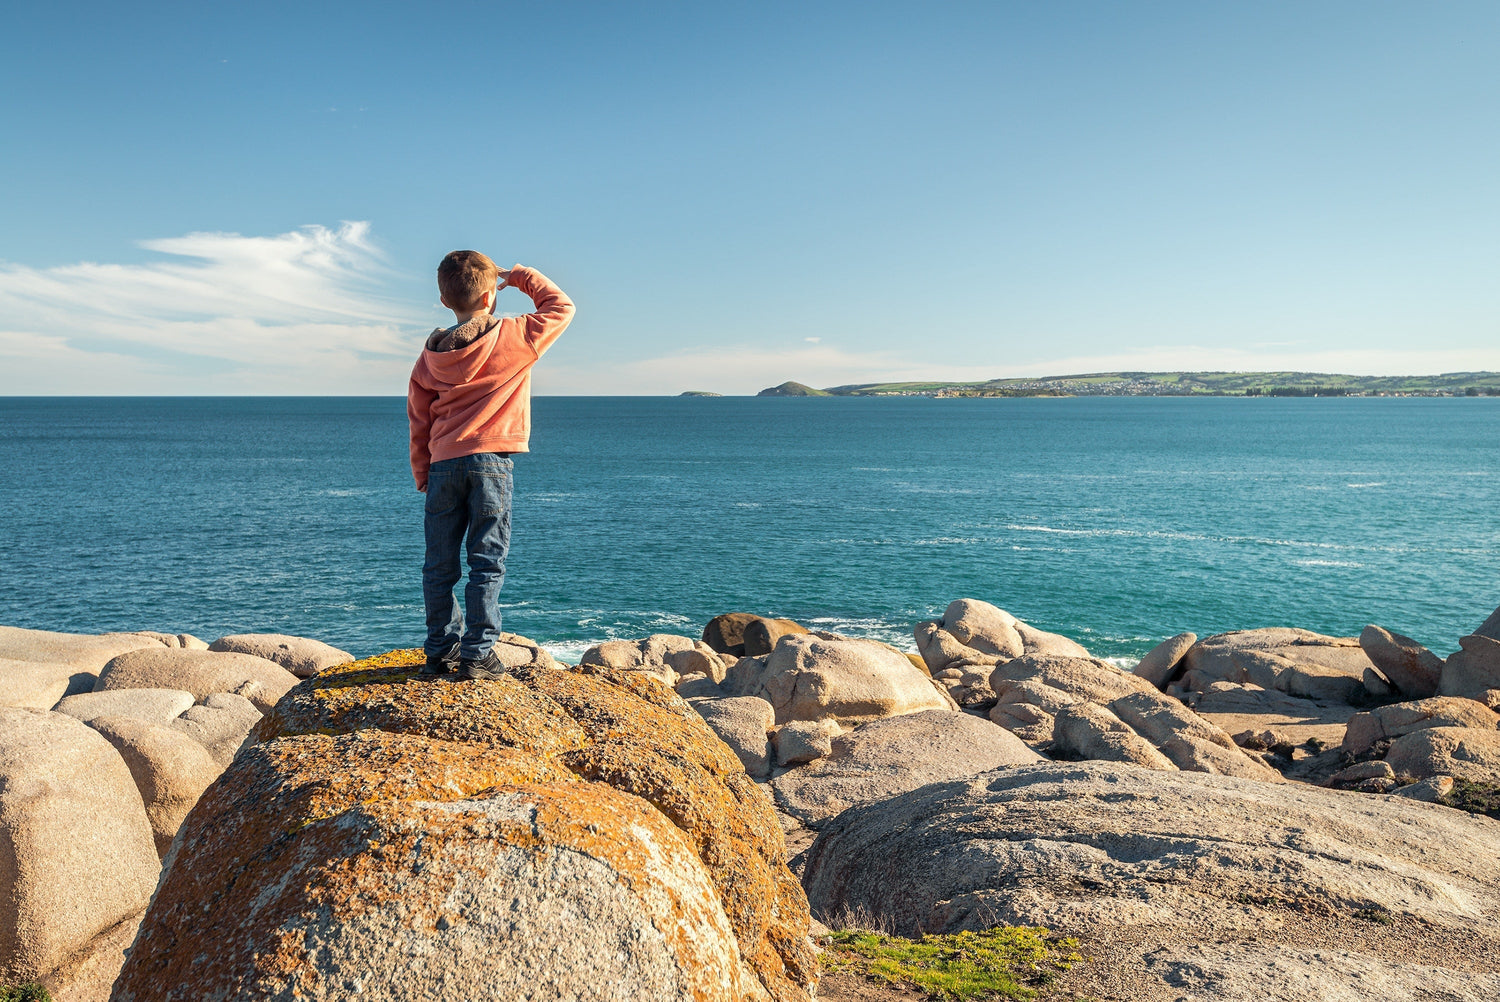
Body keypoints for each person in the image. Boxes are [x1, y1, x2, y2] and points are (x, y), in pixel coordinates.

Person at [407, 250, 574, 680]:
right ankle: (478, 653)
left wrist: (422, 470)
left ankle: (440, 649)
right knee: (487, 560)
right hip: (491, 463)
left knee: (438, 563)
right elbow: (561, 306)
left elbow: (419, 416)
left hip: (443, 465)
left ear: (445, 301)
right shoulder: (516, 335)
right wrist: (515, 275)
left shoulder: (430, 357)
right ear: (489, 298)